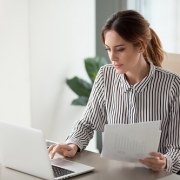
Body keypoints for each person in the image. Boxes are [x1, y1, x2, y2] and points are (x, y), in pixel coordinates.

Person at [48, 10, 180, 174]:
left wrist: (166, 161)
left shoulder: (172, 85)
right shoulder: (105, 76)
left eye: (120, 49)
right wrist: (72, 144)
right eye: (108, 49)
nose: (112, 57)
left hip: (156, 176)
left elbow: (177, 147)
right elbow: (88, 123)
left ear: (141, 46)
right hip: (113, 174)